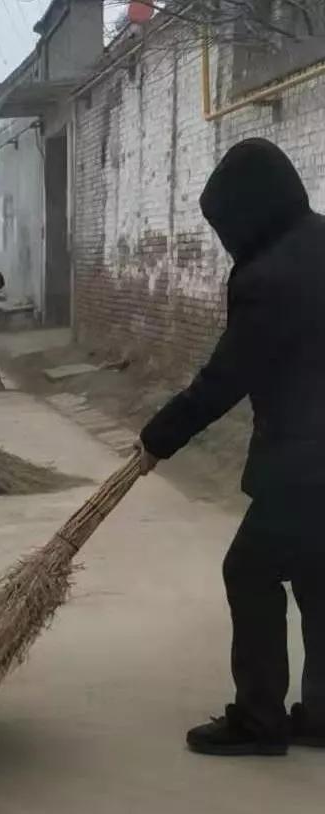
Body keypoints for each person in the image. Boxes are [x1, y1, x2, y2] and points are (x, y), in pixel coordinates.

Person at [135, 139, 325, 757]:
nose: (224, 239)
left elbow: (226, 377)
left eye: (227, 225)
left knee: (249, 571)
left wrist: (158, 438)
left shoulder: (271, 277)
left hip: (305, 458)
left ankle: (259, 719)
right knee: (319, 577)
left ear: (252, 210)